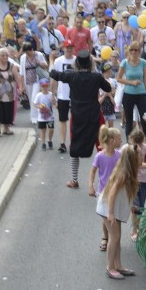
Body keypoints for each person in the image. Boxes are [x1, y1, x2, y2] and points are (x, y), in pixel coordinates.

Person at [50, 50, 111, 189]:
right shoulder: (96, 77)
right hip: (95, 114)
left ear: (76, 63)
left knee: (74, 145)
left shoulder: (72, 76)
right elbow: (108, 87)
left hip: (78, 115)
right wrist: (98, 75)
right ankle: (105, 179)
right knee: (101, 145)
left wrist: (51, 61)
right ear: (91, 63)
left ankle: (74, 180)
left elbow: (54, 74)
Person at [96, 144, 139, 279]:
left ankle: (118, 265)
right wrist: (110, 213)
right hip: (108, 208)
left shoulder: (127, 171)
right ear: (132, 158)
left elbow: (122, 194)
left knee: (117, 237)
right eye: (139, 156)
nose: (141, 157)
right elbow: (113, 192)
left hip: (111, 208)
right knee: (114, 237)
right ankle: (110, 267)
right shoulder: (124, 174)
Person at [89, 125, 122, 252]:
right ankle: (106, 237)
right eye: (119, 138)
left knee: (114, 216)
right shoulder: (100, 156)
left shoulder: (119, 155)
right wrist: (90, 186)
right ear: (112, 140)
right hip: (103, 192)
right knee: (106, 216)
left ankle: (114, 239)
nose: (121, 140)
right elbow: (92, 171)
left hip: (116, 191)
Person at [0, 48, 23, 137]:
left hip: (9, 93)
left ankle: (6, 128)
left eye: (6, 55)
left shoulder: (11, 65)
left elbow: (17, 77)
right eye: (3, 55)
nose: (5, 57)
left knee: (8, 110)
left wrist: (21, 87)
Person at [117, 41, 146, 137]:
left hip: (141, 93)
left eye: (136, 50)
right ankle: (129, 145)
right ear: (128, 51)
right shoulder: (125, 62)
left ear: (139, 51)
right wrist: (131, 82)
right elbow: (118, 78)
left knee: (144, 121)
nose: (133, 52)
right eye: (131, 50)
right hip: (129, 94)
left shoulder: (143, 62)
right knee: (129, 121)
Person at [51, 40, 76, 152]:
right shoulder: (58, 61)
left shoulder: (77, 60)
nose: (69, 49)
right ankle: (62, 143)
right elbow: (54, 78)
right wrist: (53, 94)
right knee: (62, 119)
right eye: (67, 47)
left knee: (75, 120)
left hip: (75, 95)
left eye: (71, 47)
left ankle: (74, 142)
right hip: (62, 95)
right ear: (63, 48)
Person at [19, 42, 48, 124]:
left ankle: (35, 117)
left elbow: (46, 66)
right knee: (31, 98)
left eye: (28, 51)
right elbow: (21, 72)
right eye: (25, 52)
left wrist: (39, 63)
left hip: (37, 79)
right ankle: (35, 115)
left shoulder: (39, 55)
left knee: (34, 98)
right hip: (27, 80)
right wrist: (21, 86)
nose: (27, 54)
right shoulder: (23, 58)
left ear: (32, 49)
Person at [33, 78, 55, 151]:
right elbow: (35, 104)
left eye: (46, 86)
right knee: (43, 130)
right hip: (41, 117)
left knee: (51, 129)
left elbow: (55, 102)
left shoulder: (51, 94)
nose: (45, 88)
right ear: (41, 87)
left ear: (48, 86)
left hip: (50, 117)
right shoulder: (39, 95)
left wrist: (55, 103)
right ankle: (43, 143)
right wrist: (39, 107)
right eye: (43, 86)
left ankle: (50, 140)